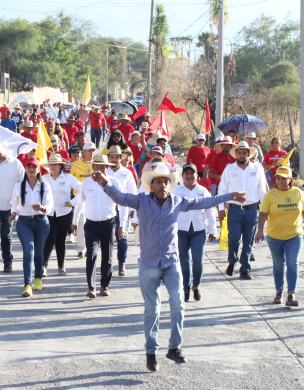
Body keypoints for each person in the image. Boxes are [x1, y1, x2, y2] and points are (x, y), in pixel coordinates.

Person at [94, 162, 248, 371]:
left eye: (166, 182)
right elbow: (121, 198)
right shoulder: (141, 201)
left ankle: (174, 348)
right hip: (148, 263)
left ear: (170, 185)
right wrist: (105, 183)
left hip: (171, 262)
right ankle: (151, 352)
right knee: (152, 309)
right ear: (151, 185)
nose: (162, 186)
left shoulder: (178, 201)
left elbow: (205, 201)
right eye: (158, 182)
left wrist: (229, 195)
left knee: (178, 303)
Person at [254, 166, 304, 307]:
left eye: (284, 179)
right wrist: (260, 231)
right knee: (279, 264)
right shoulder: (270, 195)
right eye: (278, 178)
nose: (280, 181)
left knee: (293, 262)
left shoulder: (298, 193)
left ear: (290, 180)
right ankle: (279, 292)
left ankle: (291, 294)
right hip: (274, 236)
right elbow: (262, 214)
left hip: (294, 234)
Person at [73, 154, 123, 298]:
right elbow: (79, 204)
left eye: (103, 167)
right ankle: (91, 286)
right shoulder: (86, 184)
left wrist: (122, 226)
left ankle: (104, 285)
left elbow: (122, 205)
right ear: (93, 167)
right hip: (91, 225)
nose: (100, 170)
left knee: (107, 256)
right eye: (97, 167)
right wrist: (74, 221)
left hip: (108, 223)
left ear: (107, 168)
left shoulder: (114, 183)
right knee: (92, 255)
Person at [218, 140, 268, 280]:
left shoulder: (257, 169)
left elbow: (262, 190)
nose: (241, 155)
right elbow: (222, 189)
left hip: (252, 210)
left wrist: (265, 210)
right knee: (233, 238)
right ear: (236, 154)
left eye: (244, 153)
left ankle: (245, 268)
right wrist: (221, 208)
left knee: (249, 240)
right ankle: (232, 261)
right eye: (239, 153)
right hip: (234, 210)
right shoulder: (229, 169)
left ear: (248, 154)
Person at [9, 157, 54, 297]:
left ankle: (38, 278)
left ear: (38, 169)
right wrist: (13, 214)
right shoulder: (19, 186)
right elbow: (14, 203)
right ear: (25, 169)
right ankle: (27, 284)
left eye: (34, 167)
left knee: (39, 252)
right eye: (28, 167)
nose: (31, 170)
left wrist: (42, 208)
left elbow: (50, 205)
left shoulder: (45, 185)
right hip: (24, 222)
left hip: (41, 221)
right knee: (29, 251)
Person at [172, 163, 217, 302]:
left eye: (192, 173)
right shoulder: (176, 191)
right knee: (184, 261)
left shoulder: (203, 191)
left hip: (198, 230)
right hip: (181, 230)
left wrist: (213, 229)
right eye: (186, 173)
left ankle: (196, 285)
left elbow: (210, 210)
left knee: (198, 260)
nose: (189, 176)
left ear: (197, 175)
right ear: (182, 175)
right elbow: (170, 211)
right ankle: (186, 288)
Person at [41, 154, 81, 276]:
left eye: (55, 164)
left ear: (60, 166)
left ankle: (61, 266)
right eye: (51, 164)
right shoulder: (43, 178)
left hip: (64, 213)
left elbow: (82, 190)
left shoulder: (68, 178)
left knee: (60, 240)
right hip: (48, 213)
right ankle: (44, 266)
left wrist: (73, 202)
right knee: (50, 238)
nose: (53, 167)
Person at [107, 146, 137, 277]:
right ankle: (107, 265)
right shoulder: (104, 172)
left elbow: (133, 192)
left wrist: (134, 209)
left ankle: (122, 264)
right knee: (107, 239)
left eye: (116, 157)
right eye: (112, 157)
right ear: (108, 158)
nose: (114, 159)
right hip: (107, 209)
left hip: (122, 209)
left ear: (121, 159)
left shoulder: (127, 173)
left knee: (122, 237)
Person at [70, 141, 96, 258]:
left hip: (93, 199)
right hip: (79, 199)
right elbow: (71, 182)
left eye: (93, 150)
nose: (92, 153)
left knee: (91, 225)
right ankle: (81, 248)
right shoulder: (76, 164)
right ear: (83, 152)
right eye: (89, 150)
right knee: (80, 223)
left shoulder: (97, 164)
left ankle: (91, 247)